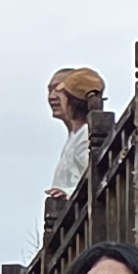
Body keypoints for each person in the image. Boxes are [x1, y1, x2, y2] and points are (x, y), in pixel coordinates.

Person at [44, 66, 107, 201]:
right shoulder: (76, 136)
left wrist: (69, 193)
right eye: (50, 90)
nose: (52, 96)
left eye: (59, 89)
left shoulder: (86, 135)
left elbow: (98, 175)